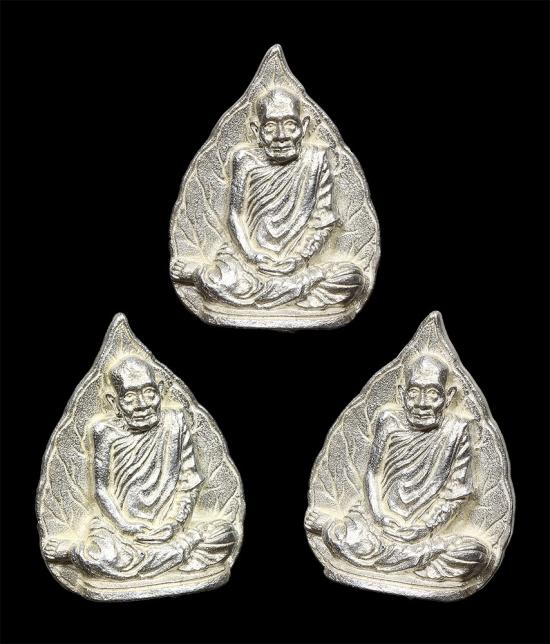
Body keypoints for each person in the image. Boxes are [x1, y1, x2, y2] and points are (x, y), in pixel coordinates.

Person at [171, 87, 364, 310]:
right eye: (270, 126)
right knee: (221, 281)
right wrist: (253, 256)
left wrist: (300, 259)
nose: (281, 136)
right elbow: (235, 216)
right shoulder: (245, 159)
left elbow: (323, 220)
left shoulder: (316, 159)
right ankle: (293, 292)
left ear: (304, 126)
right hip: (247, 263)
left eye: (290, 125)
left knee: (352, 278)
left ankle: (281, 290)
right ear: (257, 130)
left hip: (298, 265)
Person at [43, 356, 235, 578]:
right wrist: (125, 526)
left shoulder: (175, 422)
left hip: (169, 531)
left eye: (150, 393)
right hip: (119, 532)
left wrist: (174, 524)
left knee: (225, 535)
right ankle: (175, 553)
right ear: (114, 401)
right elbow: (101, 490)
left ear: (160, 390)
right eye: (130, 397)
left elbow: (188, 482)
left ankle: (168, 552)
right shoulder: (105, 432)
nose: (142, 404)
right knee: (103, 556)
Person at [305, 355, 488, 581]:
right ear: (401, 394)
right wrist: (380, 516)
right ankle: (411, 559)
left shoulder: (457, 429)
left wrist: (424, 528)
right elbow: (373, 473)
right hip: (376, 524)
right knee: (353, 539)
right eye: (413, 393)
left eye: (433, 394)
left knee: (475, 554)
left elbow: (456, 493)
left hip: (425, 532)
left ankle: (385, 552)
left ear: (448, 397)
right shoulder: (389, 420)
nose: (422, 403)